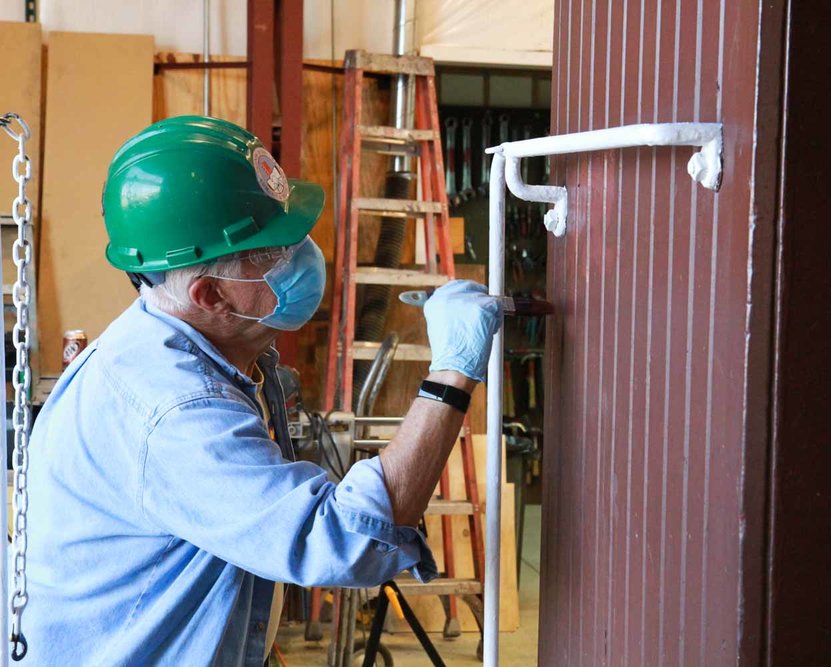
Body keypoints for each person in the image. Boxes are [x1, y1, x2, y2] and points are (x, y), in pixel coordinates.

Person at [21, 116, 501, 666]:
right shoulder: (176, 408)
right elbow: (345, 543)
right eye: (274, 251)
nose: (301, 255)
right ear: (209, 294)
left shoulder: (205, 348)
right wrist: (452, 373)